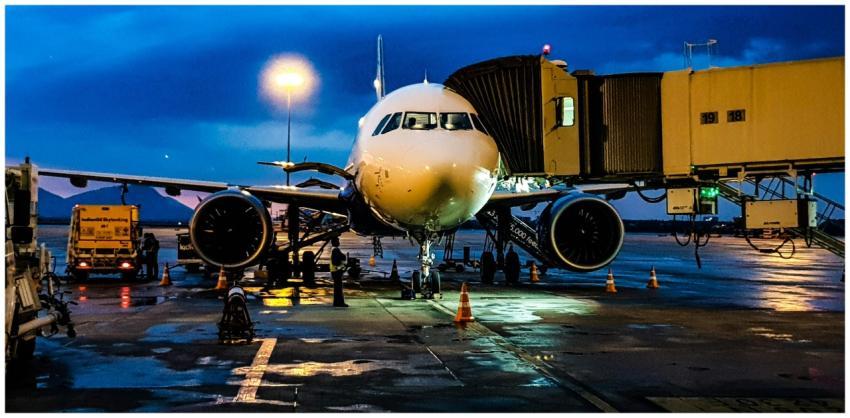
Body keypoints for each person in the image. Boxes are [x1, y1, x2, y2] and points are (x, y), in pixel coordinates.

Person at [329, 237, 348, 307]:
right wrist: (341, 266)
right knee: (338, 288)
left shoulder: (333, 249)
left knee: (337, 288)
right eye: (338, 241)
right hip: (336, 271)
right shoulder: (335, 250)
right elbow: (335, 262)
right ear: (335, 242)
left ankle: (337, 302)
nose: (339, 242)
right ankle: (339, 303)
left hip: (334, 271)